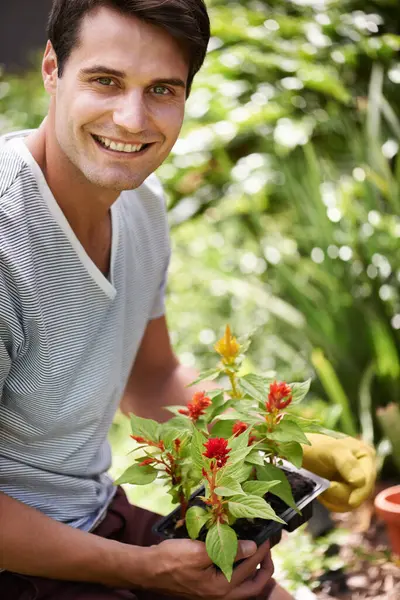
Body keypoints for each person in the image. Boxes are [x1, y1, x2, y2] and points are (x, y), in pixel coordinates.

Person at [0, 1, 376, 599]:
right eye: (105, 81)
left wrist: (277, 447)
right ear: (52, 68)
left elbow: (151, 380)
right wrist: (145, 570)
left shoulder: (142, 207)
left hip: (92, 520)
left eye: (162, 90)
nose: (131, 119)